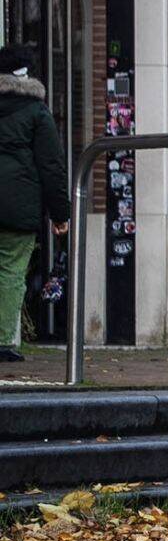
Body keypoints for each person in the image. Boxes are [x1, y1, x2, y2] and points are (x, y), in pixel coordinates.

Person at [0, 45, 69, 364]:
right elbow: (51, 166)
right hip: (18, 208)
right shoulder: (37, 113)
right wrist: (60, 214)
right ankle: (1, 341)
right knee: (11, 271)